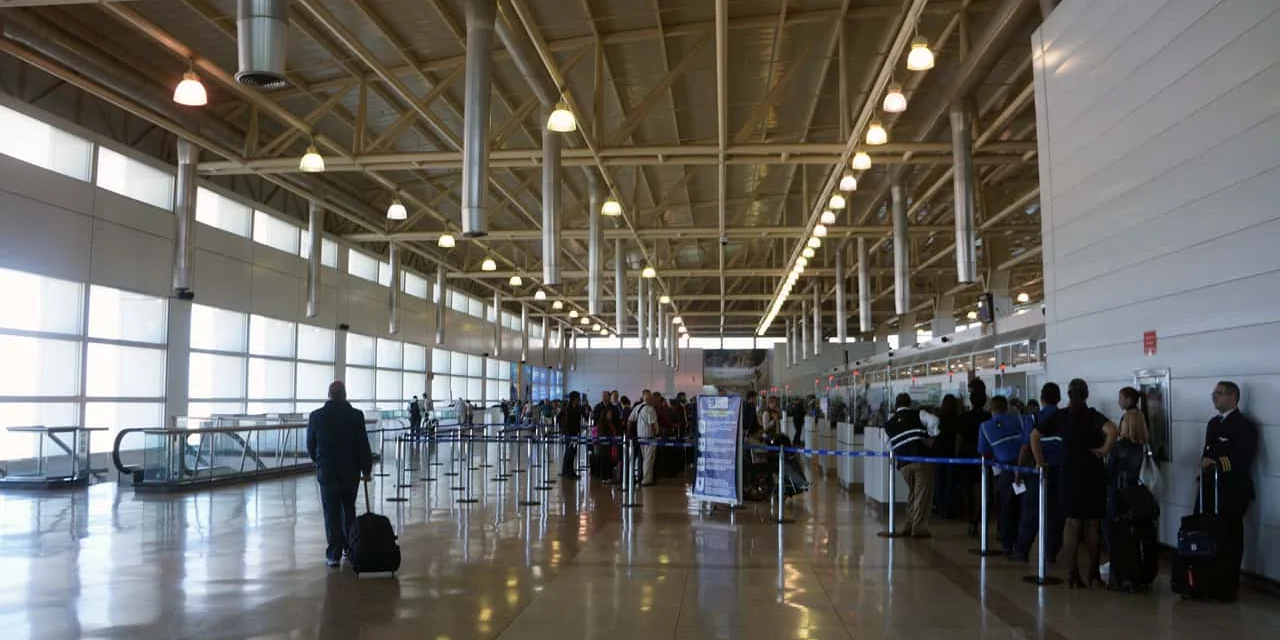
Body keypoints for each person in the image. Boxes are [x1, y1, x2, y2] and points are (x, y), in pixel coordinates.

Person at [1054, 378, 1117, 589]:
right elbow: (1112, 430)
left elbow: (1035, 435)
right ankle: (1093, 573)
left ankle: (1073, 573)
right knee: (1093, 524)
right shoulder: (1093, 416)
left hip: (1070, 475)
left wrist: (1040, 461)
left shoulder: (1062, 416)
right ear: (1086, 394)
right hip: (1093, 474)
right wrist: (1104, 450)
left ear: (1068, 394)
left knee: (1072, 524)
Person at [1198, 381, 1258, 601]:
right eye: (1214, 393)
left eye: (1219, 394)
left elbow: (1242, 458)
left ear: (1233, 396)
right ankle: (1209, 580)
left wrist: (1215, 464)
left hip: (1233, 490)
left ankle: (1227, 585)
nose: (1215, 398)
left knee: (1229, 537)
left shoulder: (1244, 426)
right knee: (1210, 535)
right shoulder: (1214, 423)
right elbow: (1207, 450)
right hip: (1210, 489)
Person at [306, 381, 373, 568]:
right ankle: (350, 549)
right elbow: (362, 445)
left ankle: (333, 554)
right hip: (350, 472)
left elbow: (311, 445)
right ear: (345, 394)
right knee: (348, 509)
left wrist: (319, 462)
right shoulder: (355, 416)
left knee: (331, 513)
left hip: (327, 472)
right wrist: (366, 469)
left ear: (329, 394)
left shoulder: (316, 416)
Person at [1015, 383, 1065, 563]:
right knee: (1056, 514)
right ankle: (1051, 553)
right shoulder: (1065, 417)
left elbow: (1025, 447)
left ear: (1042, 399)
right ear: (1059, 399)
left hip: (1038, 471)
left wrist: (1019, 471)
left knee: (1031, 512)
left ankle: (1022, 551)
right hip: (1061, 471)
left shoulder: (1034, 418)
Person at [884, 393, 941, 538]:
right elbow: (935, 420)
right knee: (923, 496)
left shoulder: (889, 423)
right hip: (922, 460)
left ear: (896, 405)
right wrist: (931, 436)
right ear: (910, 404)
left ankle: (908, 524)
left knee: (913, 493)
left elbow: (887, 445)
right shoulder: (918, 414)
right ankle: (919, 528)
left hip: (904, 465)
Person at [978, 395, 1026, 554]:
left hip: (1004, 470)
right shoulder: (1019, 419)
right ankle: (1021, 542)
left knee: (1006, 505)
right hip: (1024, 467)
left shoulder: (985, 426)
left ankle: (1006, 542)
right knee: (1022, 505)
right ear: (1006, 407)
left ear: (991, 409)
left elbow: (983, 451)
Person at [1105, 386, 1150, 549]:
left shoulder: (1120, 446)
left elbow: (1110, 470)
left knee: (1114, 523)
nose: (1118, 401)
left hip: (1119, 488)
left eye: (1121, 398)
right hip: (1136, 489)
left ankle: (1117, 557)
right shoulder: (1141, 445)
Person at [958, 379, 992, 536]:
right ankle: (978, 519)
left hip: (966, 455)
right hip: (983, 455)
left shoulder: (964, 417)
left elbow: (958, 439)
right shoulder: (988, 417)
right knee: (981, 489)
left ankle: (970, 519)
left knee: (968, 490)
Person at [932, 394, 963, 518]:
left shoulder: (938, 419)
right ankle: (950, 509)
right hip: (952, 454)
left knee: (939, 482)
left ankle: (939, 507)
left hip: (939, 454)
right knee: (951, 483)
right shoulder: (958, 420)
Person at [634, 393, 660, 486]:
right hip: (649, 438)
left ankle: (646, 478)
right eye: (652, 399)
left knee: (645, 458)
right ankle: (646, 479)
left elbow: (630, 420)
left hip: (641, 437)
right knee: (649, 459)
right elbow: (652, 424)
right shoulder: (650, 409)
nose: (654, 401)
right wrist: (655, 435)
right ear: (649, 399)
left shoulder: (638, 407)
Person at [558, 391, 585, 478]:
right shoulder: (567, 408)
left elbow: (583, 415)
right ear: (574, 399)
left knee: (572, 452)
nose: (579, 400)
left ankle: (569, 471)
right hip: (569, 434)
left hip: (574, 433)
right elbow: (562, 419)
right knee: (569, 453)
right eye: (578, 398)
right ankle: (567, 472)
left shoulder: (577, 408)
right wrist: (565, 432)